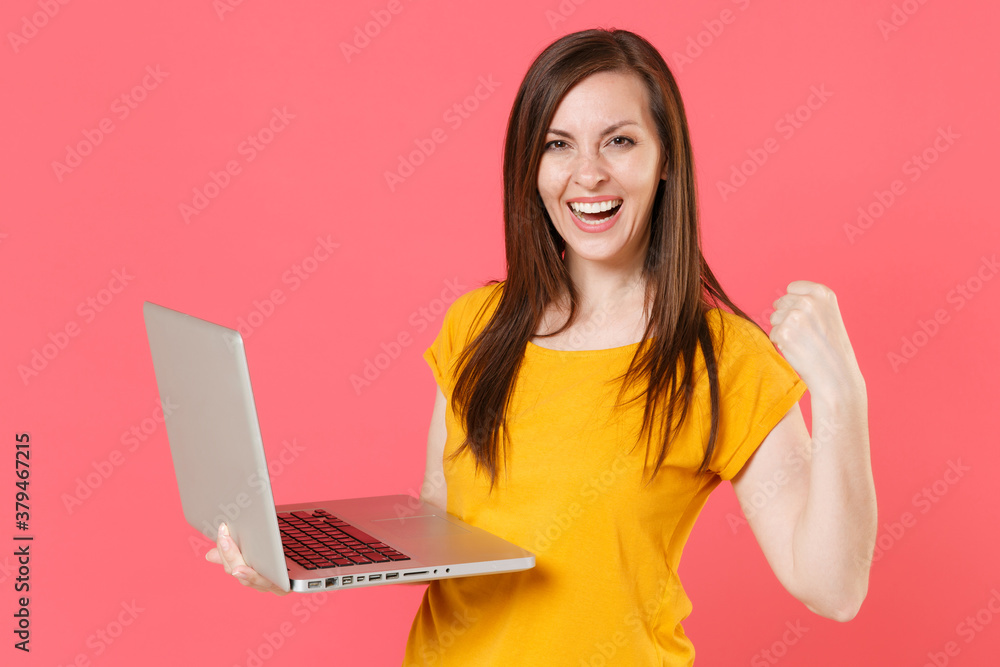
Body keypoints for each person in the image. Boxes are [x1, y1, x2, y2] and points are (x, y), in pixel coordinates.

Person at [207, 27, 877, 665]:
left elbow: (833, 587)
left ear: (665, 157)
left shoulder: (717, 358)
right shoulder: (477, 325)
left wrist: (844, 395)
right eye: (558, 145)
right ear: (529, 166)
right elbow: (441, 523)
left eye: (618, 141)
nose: (587, 174)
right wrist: (299, 561)